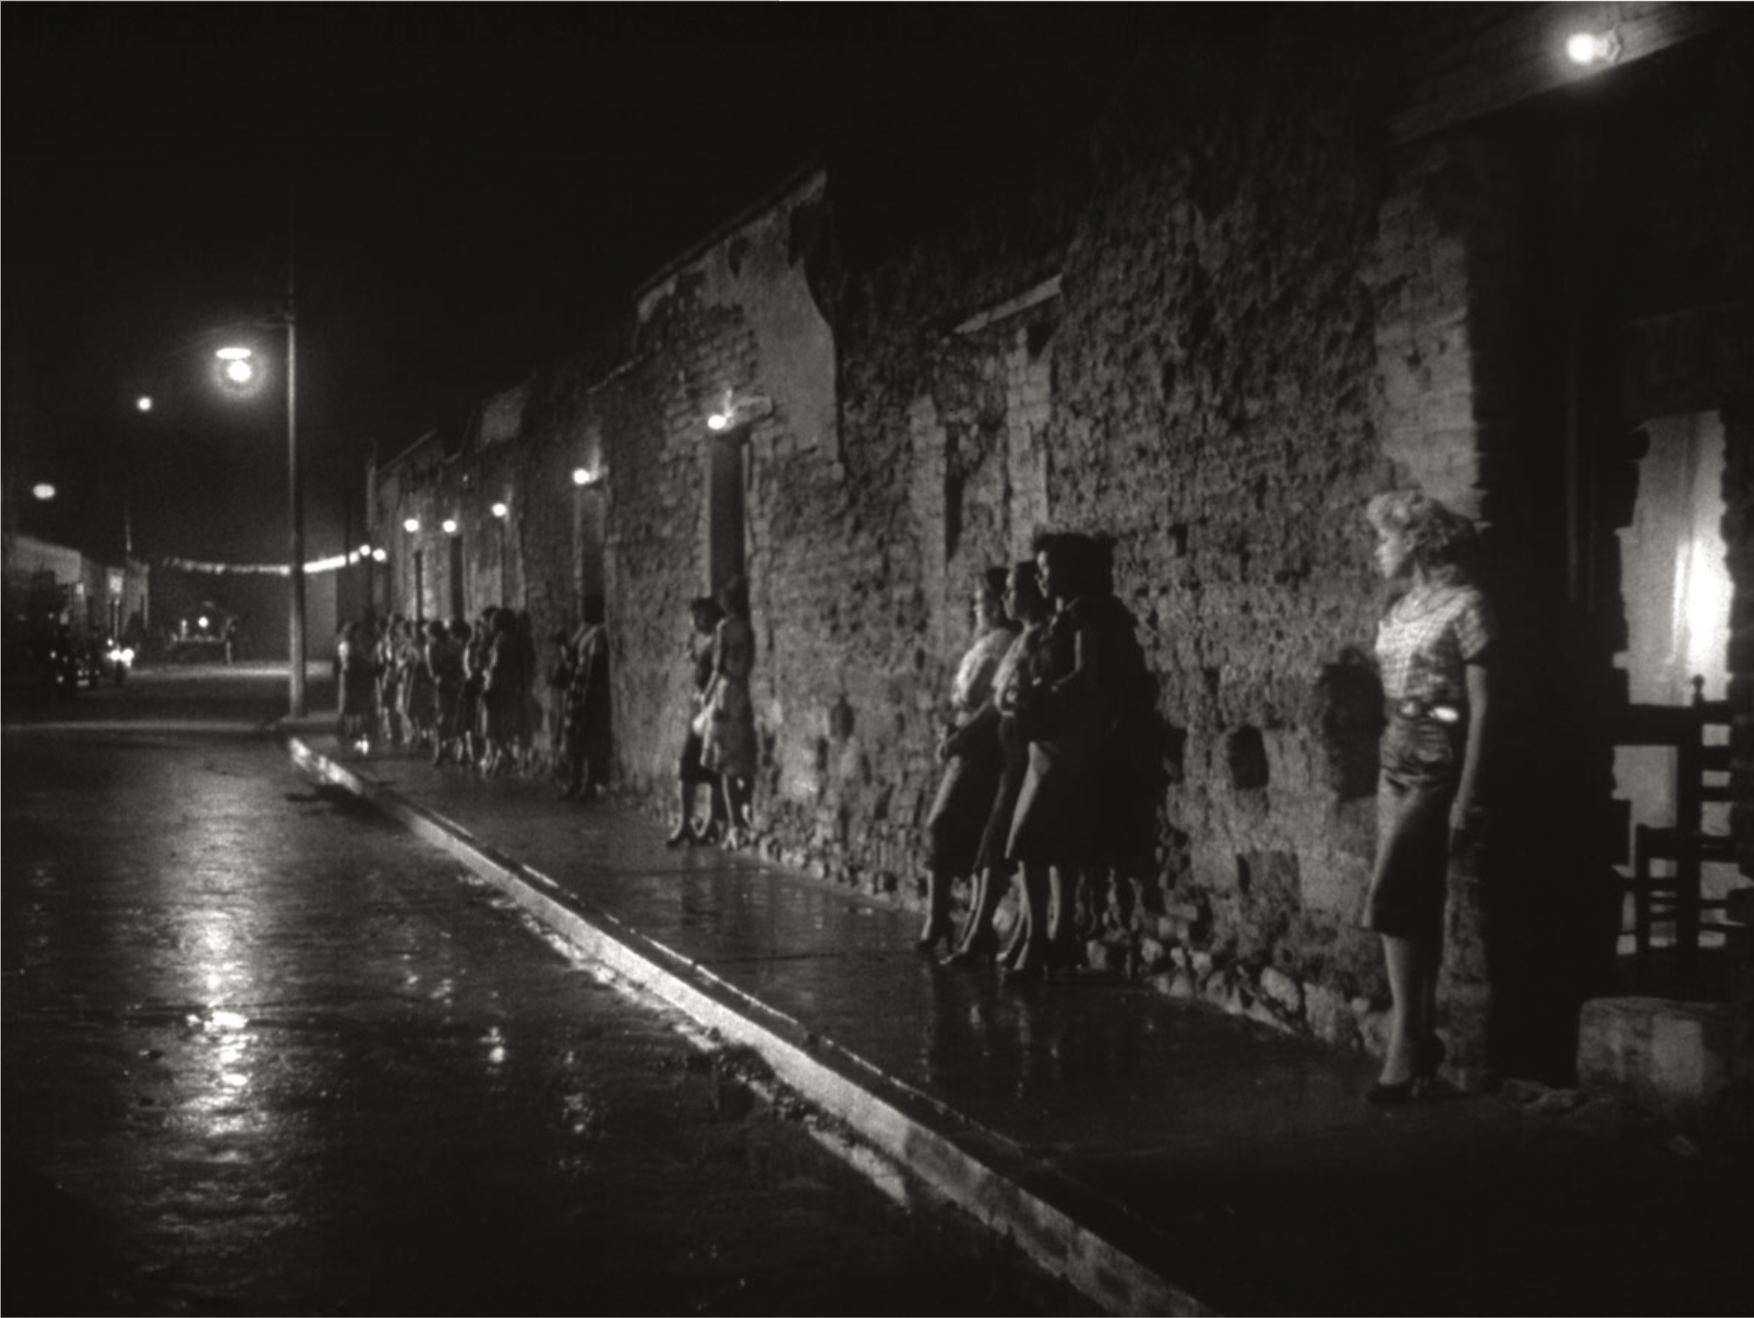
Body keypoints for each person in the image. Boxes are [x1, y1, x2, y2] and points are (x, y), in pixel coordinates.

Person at [1362, 490, 1492, 1104]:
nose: (1377, 550)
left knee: (1390, 895)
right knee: (1408, 901)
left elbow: (1484, 707)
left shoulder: (1467, 605)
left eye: (1384, 538)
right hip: (1395, 750)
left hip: (1438, 754)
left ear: (1414, 541)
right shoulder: (1399, 607)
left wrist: (1467, 794)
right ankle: (1416, 1035)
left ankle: (1407, 1042)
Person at [1005, 532, 1107, 979]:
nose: (1041, 579)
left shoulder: (1084, 618)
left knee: (1034, 838)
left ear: (1069, 570)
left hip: (1067, 743)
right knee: (1045, 840)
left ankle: (1045, 939)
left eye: (1048, 569)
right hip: (1042, 742)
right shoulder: (1054, 620)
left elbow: (1087, 675)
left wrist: (1043, 690)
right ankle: (1053, 939)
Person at [944, 560, 1050, 967]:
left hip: (1023, 750)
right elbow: (994, 700)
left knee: (1007, 838)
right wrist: (963, 735)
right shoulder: (1022, 639)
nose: (1006, 598)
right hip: (1008, 751)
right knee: (998, 839)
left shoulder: (1038, 638)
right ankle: (986, 930)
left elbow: (1011, 697)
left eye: (1012, 589)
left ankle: (991, 932)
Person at [916, 567, 1017, 954]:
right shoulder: (985, 642)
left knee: (944, 824)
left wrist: (960, 727)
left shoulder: (1002, 642)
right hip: (965, 738)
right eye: (976, 601)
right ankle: (944, 916)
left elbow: (979, 697)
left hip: (979, 743)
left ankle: (945, 917)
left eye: (984, 600)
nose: (978, 608)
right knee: (952, 826)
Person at [699, 576, 758, 845]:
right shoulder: (748, 628)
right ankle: (742, 817)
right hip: (742, 693)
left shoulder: (724, 627)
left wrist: (707, 693)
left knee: (724, 764)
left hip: (725, 693)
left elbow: (718, 665)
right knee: (741, 757)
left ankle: (734, 824)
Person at [667, 597, 728, 846]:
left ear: (705, 615)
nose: (693, 623)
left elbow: (719, 670)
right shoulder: (711, 640)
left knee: (691, 764)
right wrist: (695, 659)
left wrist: (706, 696)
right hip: (705, 709)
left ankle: (690, 824)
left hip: (709, 709)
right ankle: (704, 824)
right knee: (706, 766)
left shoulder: (719, 638)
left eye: (695, 617)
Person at [560, 595, 611, 801]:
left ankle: (588, 785)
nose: (582, 612)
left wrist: (588, 692)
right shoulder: (585, 630)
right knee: (574, 736)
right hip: (578, 682)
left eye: (586, 608)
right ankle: (574, 781)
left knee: (587, 737)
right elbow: (572, 654)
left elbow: (595, 662)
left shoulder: (598, 632)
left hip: (588, 686)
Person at [426, 619, 467, 766]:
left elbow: (434, 670)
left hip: (448, 685)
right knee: (448, 717)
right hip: (448, 684)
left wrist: (445, 679)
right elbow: (435, 669)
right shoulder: (450, 645)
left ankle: (446, 750)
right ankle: (446, 750)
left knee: (447, 717)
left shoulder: (436, 646)